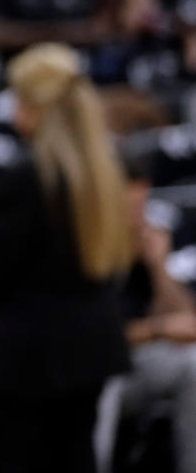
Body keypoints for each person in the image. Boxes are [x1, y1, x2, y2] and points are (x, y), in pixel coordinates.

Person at [0, 42, 134, 473]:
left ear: (36, 108)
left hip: (24, 362)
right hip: (92, 352)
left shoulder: (29, 180)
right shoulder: (105, 172)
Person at [115, 153, 196, 471]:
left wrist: (159, 266)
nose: (138, 216)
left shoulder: (144, 243)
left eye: (141, 205)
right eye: (130, 208)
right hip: (88, 368)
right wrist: (157, 330)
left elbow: (187, 322)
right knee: (99, 385)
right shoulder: (86, 247)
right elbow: (92, 336)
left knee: (194, 364)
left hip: (134, 367)